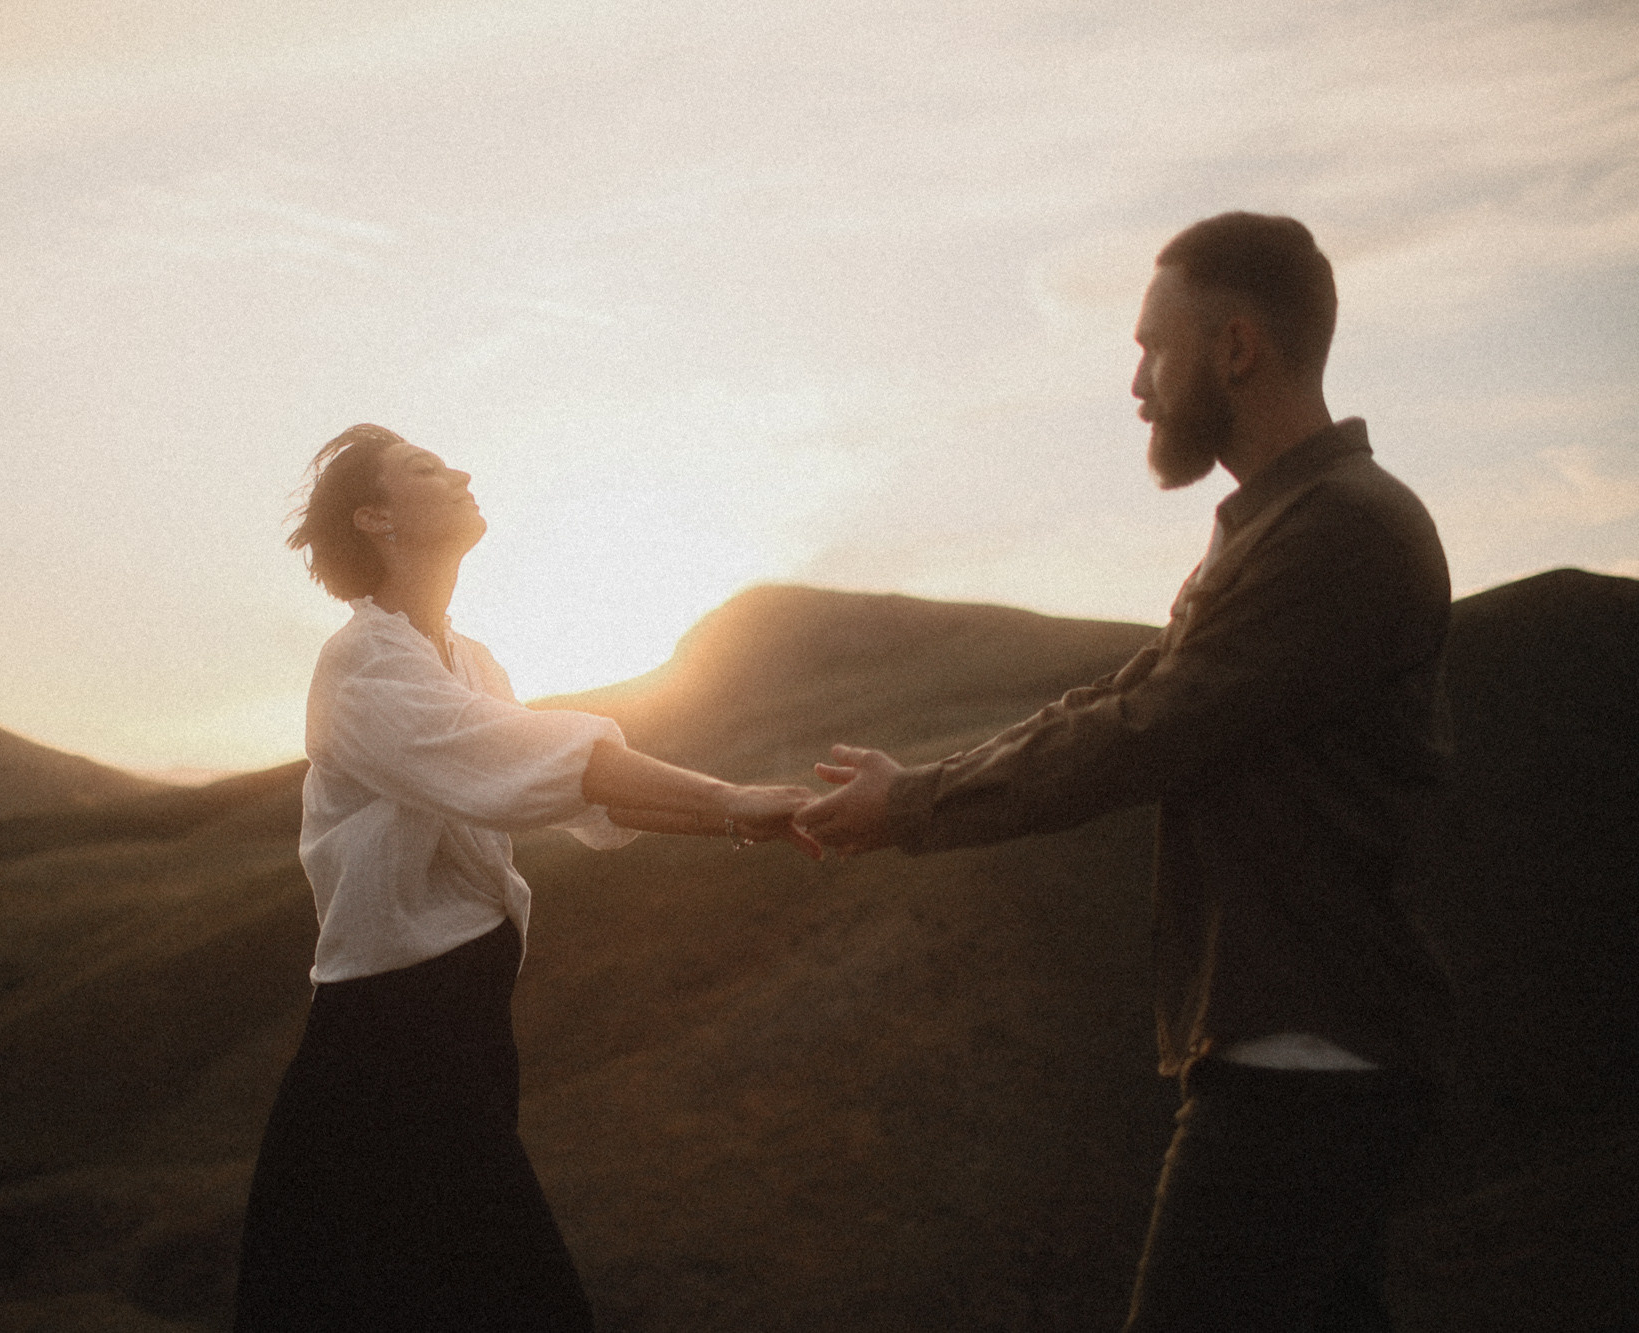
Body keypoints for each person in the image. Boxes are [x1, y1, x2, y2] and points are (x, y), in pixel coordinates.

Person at [796, 213, 1452, 1331]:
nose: (1136, 383)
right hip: (1303, 1047)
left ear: (1234, 348)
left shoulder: (1339, 532)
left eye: (1152, 346)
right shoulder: (1278, 527)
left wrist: (913, 805)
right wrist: (913, 788)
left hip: (1304, 1056)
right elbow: (1120, 698)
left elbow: (1144, 729)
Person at [232, 423, 817, 1333]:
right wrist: (734, 797)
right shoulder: (361, 667)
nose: (461, 470)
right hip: (379, 1065)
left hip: (461, 1048)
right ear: (376, 516)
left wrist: (743, 820)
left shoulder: (472, 664)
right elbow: (555, 761)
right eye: (425, 468)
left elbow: (586, 802)